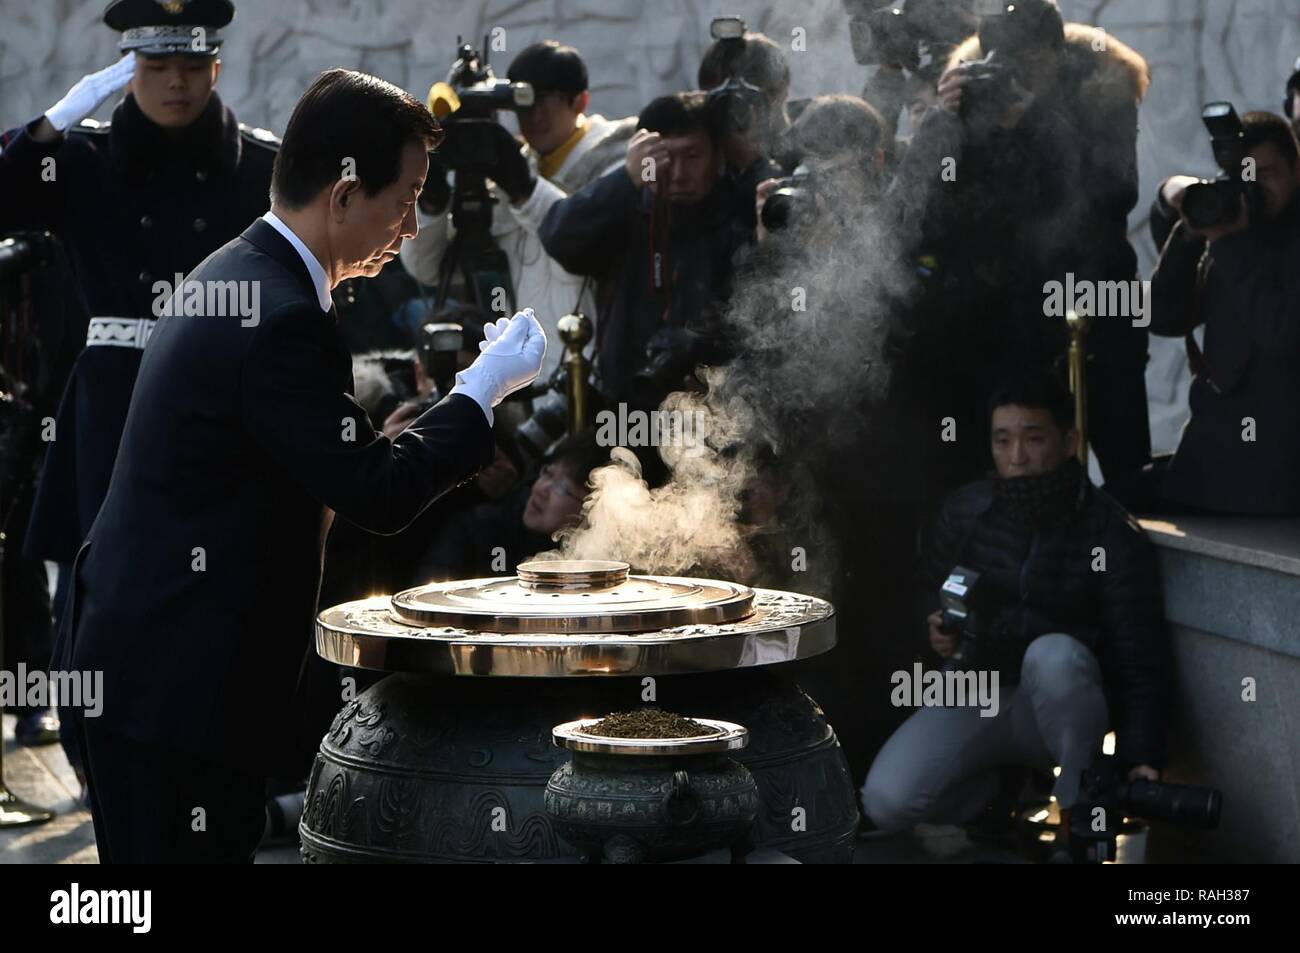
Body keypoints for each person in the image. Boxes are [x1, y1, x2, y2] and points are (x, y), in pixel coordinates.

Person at [59, 68, 546, 863]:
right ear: (345, 193)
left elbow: (312, 458)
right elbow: (377, 492)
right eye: (406, 198)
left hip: (149, 666)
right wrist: (481, 391)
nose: (413, 226)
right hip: (176, 690)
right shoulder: (283, 314)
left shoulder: (244, 268)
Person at [0, 0, 277, 765]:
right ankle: (99, 758)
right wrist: (48, 128)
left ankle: (209, 757)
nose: (178, 84)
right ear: (127, 73)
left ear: (217, 67)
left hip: (221, 404)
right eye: (157, 68)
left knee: (213, 585)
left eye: (192, 66)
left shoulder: (260, 165)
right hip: (113, 404)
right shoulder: (80, 159)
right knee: (102, 593)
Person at [860, 372, 1166, 840]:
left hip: (1065, 711)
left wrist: (1142, 758)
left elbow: (1138, 657)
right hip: (979, 688)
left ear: (1069, 442)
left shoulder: (1112, 534)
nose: (1016, 457)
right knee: (887, 800)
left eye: (1033, 438)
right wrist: (934, 629)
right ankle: (996, 798)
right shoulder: (967, 510)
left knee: (1054, 655)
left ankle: (1077, 815)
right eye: (1002, 441)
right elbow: (925, 588)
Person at [892, 0, 1152, 488]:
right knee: (1006, 471)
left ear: (1055, 54)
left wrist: (1036, 120)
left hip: (1097, 299)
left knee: (1124, 470)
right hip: (1003, 313)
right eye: (1006, 63)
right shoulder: (970, 98)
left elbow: (1113, 194)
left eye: (1030, 64)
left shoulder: (1104, 90)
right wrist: (942, 125)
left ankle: (1113, 554)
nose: (1018, 76)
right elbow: (919, 220)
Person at [400, 41, 634, 379]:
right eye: (525, 105)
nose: (535, 116)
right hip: (528, 377)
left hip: (595, 369)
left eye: (549, 102)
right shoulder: (511, 169)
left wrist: (527, 191)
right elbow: (426, 269)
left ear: (580, 101)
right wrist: (432, 202)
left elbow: (584, 245)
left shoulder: (617, 168)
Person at [538, 91, 752, 412]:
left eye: (693, 156)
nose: (678, 174)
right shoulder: (629, 209)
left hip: (714, 410)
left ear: (719, 155)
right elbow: (558, 236)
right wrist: (627, 179)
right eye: (664, 158)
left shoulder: (739, 217)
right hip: (626, 408)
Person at [1143, 111, 1300, 515]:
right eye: (1244, 176)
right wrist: (1190, 234)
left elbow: (1280, 333)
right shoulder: (1231, 228)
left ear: (1296, 169)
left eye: (1267, 173)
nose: (1255, 189)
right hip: (1211, 460)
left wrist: (1230, 247)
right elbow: (1163, 316)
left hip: (1279, 473)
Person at [415, 430, 605, 581]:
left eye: (562, 489)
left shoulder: (598, 564)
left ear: (591, 511)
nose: (541, 489)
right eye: (547, 473)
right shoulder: (475, 530)